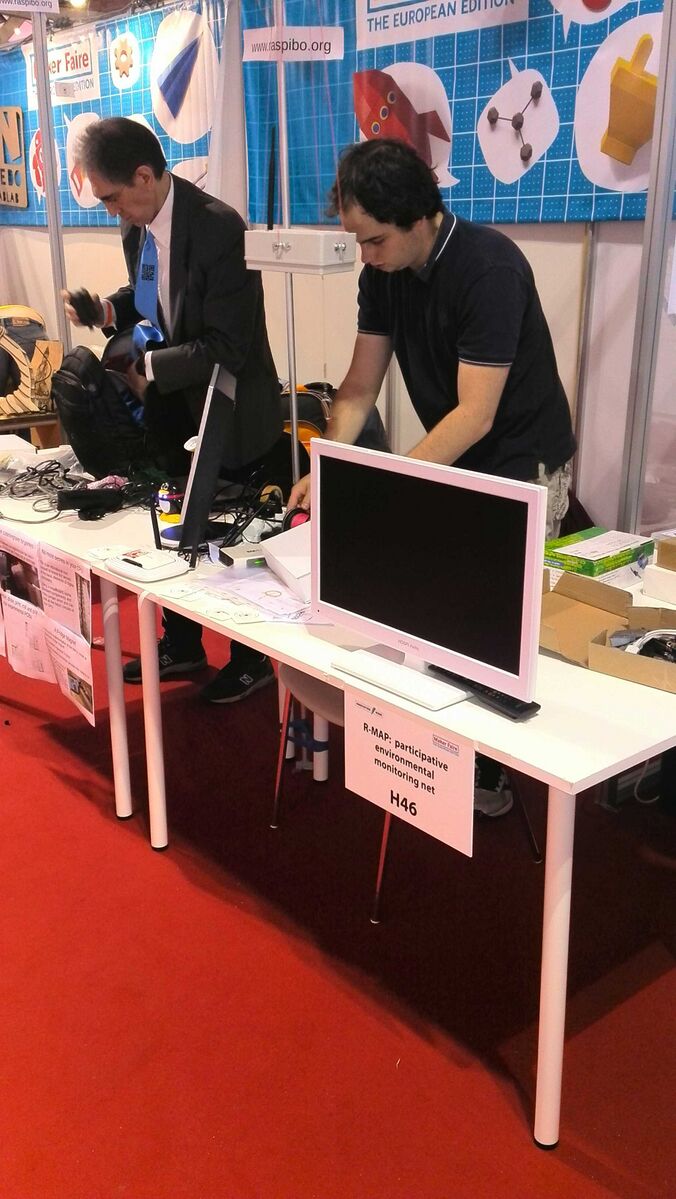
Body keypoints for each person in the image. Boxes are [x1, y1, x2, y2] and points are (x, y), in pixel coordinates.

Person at [288, 137, 577, 815]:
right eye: (357, 241)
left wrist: (391, 484)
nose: (366, 255)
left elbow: (477, 414)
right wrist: (329, 465)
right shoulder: (383, 274)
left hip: (520, 461)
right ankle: (440, 749)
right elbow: (359, 388)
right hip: (457, 452)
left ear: (420, 216)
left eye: (375, 240)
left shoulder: (489, 269)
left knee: (493, 622)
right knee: (440, 606)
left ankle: (494, 770)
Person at [63, 117, 286, 704]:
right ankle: (182, 641)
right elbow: (152, 299)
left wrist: (147, 366)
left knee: (234, 536)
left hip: (231, 405)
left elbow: (228, 346)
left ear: (144, 175)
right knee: (171, 522)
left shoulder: (219, 228)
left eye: (112, 197)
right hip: (173, 403)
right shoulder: (137, 225)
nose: (111, 210)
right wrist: (105, 312)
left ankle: (252, 658)